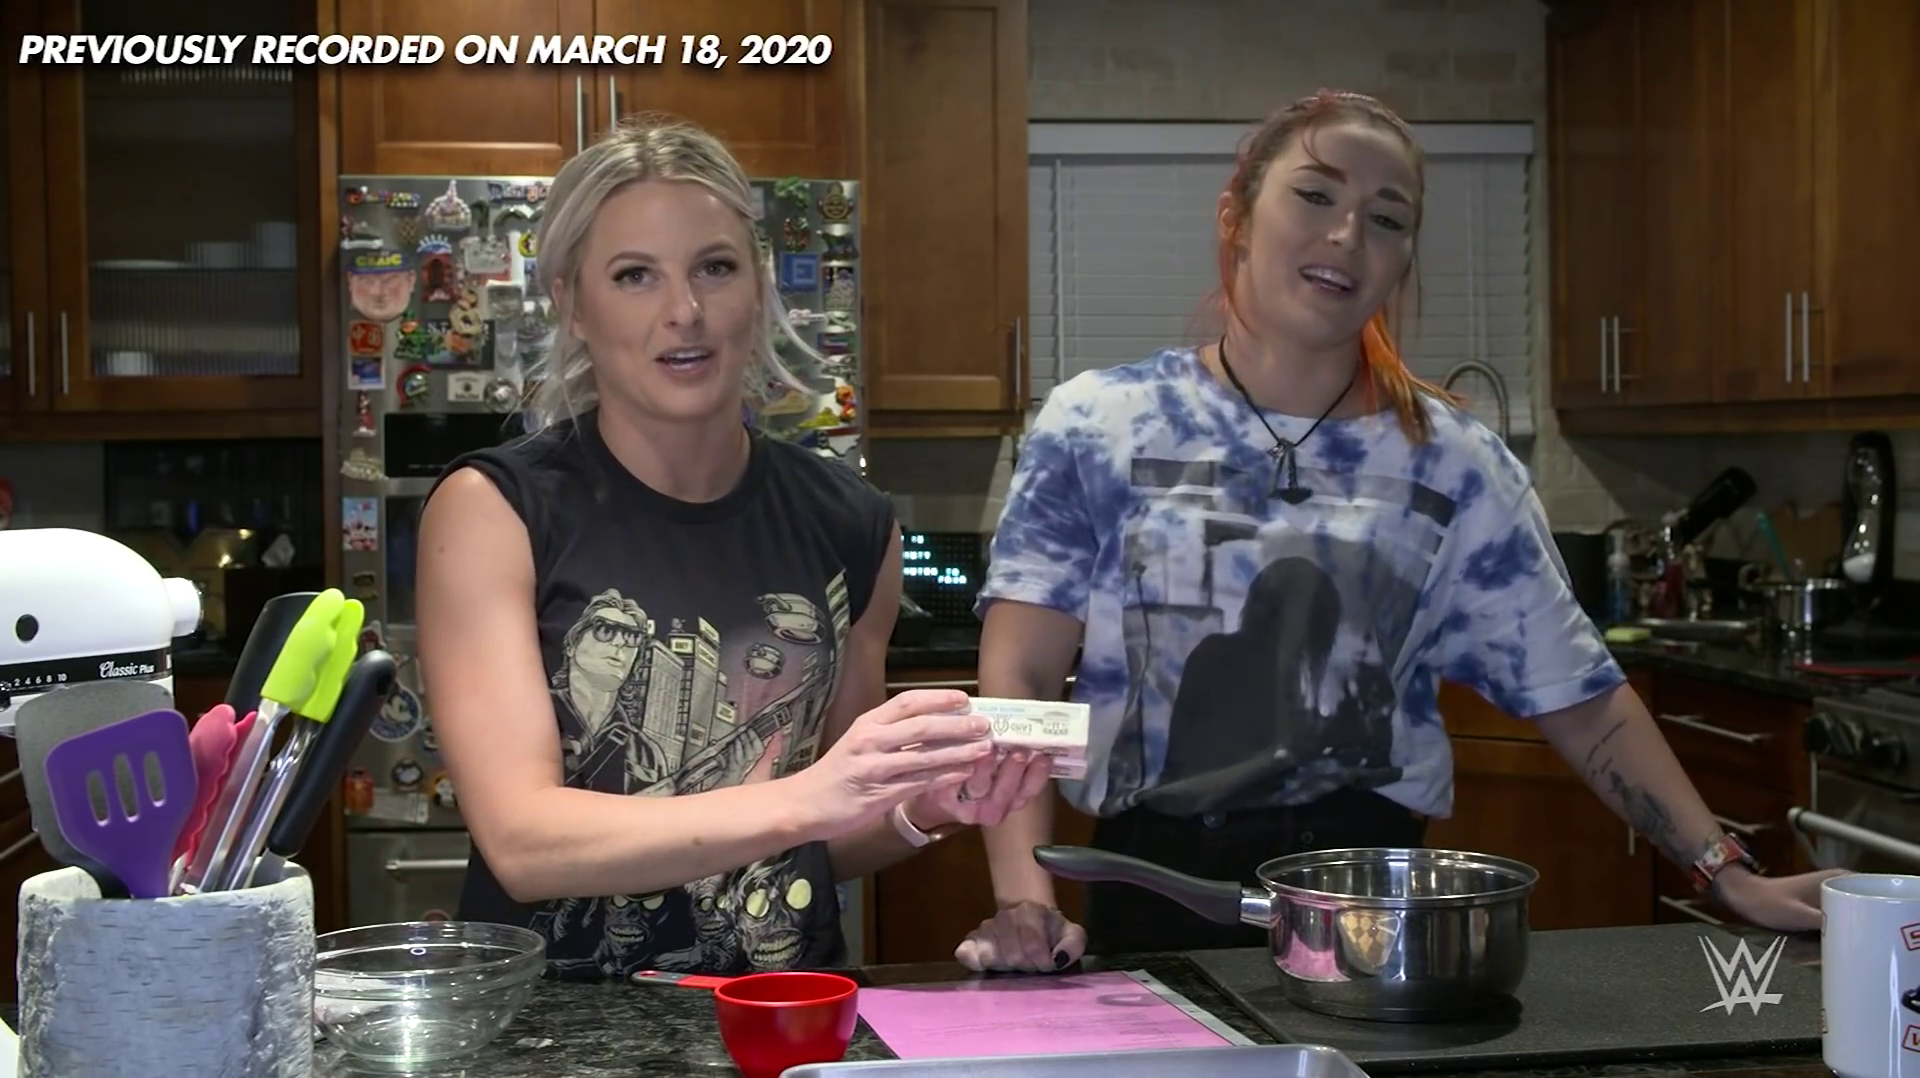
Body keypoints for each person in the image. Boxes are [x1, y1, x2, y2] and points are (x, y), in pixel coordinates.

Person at [952, 90, 1843, 974]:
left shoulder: (1456, 464)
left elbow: (1581, 697)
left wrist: (1727, 872)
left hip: (1370, 907)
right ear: (1236, 218)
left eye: (1387, 219)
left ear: (1402, 260)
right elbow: (1022, 677)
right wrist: (1025, 901)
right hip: (1149, 889)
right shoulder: (1096, 424)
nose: (1348, 235)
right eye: (1316, 195)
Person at [413, 113, 1053, 980]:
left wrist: (920, 810)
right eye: (635, 276)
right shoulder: (495, 510)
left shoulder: (851, 523)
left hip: (785, 1012)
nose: (684, 312)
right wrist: (813, 798)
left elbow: (826, 832)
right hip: (555, 1026)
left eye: (715, 268)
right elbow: (524, 842)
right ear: (571, 301)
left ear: (757, 284)